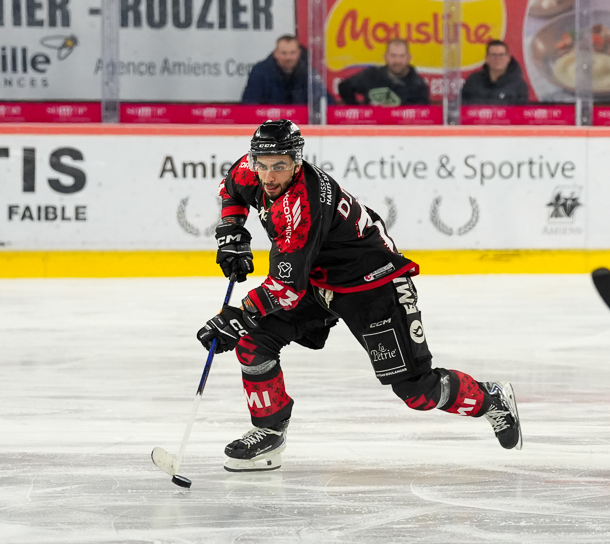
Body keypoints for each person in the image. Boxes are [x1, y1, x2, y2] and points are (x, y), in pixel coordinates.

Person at [196, 120, 522, 472]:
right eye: (263, 164)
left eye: (280, 166)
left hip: (371, 284)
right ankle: (269, 432)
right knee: (253, 343)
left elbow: (286, 288)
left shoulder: (303, 206)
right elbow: (232, 191)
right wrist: (231, 230)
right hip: (317, 283)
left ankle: (491, 400)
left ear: (297, 161)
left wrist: (239, 316)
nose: (269, 175)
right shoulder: (251, 168)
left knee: (416, 390)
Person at [338, 39, 430, 107]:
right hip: (371, 130)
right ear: (385, 57)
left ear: (408, 58)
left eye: (402, 56)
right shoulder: (372, 75)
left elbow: (420, 116)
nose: (397, 61)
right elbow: (344, 87)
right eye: (393, 56)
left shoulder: (418, 86)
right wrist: (358, 110)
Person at [241, 35, 314, 106]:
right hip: (268, 117)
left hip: (299, 118)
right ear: (275, 54)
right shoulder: (259, 72)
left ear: (299, 53)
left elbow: (322, 102)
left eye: (292, 53)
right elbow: (249, 105)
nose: (288, 58)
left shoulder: (309, 73)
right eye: (284, 53)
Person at [461, 40, 530, 106]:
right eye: (493, 55)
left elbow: (521, 114)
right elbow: (461, 107)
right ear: (486, 58)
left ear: (508, 58)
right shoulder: (473, 81)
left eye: (501, 55)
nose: (497, 59)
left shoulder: (519, 86)